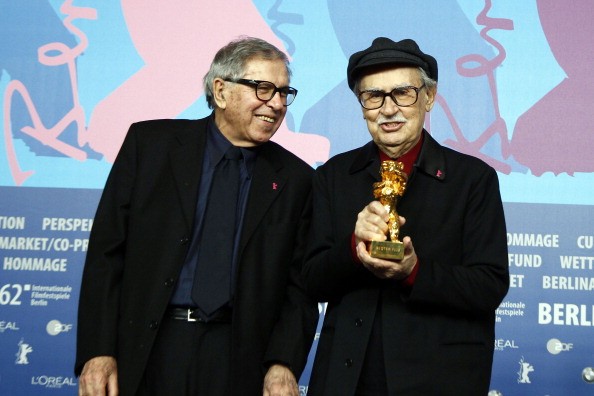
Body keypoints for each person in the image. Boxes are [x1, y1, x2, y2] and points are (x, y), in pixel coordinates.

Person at [75, 36, 318, 396]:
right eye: (264, 89)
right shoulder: (150, 146)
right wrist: (97, 351)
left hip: (238, 356)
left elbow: (300, 285)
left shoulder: (298, 179)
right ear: (221, 91)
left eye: (284, 93)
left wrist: (283, 363)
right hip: (150, 345)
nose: (277, 104)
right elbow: (106, 256)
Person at [303, 37, 509, 395]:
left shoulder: (473, 180)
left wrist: (415, 272)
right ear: (361, 105)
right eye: (374, 96)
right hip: (347, 375)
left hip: (439, 377)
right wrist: (354, 248)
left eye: (402, 93)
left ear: (429, 97)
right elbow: (311, 280)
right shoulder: (332, 176)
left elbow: (489, 286)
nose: (388, 108)